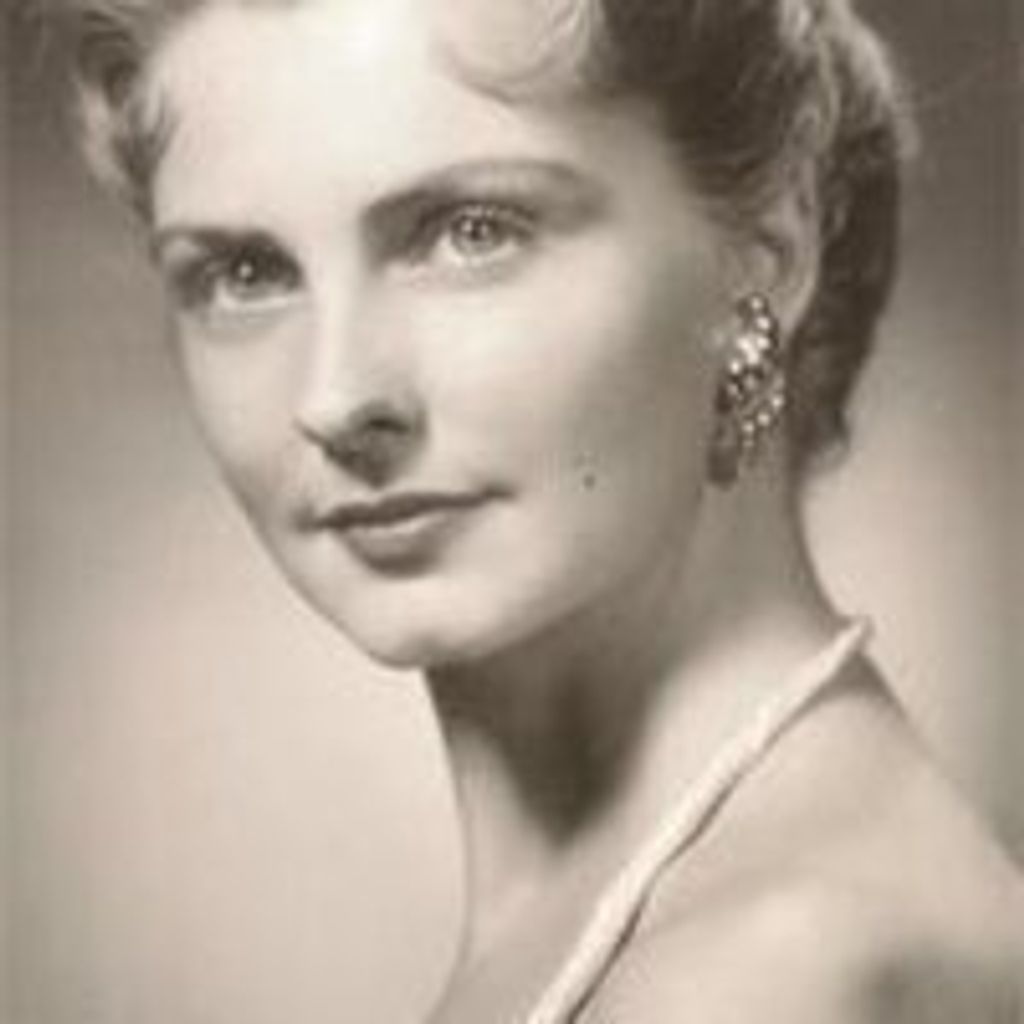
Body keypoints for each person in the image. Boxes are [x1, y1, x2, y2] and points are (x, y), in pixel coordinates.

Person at [53, 0, 1023, 1019]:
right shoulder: (693, 896)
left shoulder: (763, 974)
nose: (334, 397)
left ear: (765, 253)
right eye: (243, 274)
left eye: (471, 232)